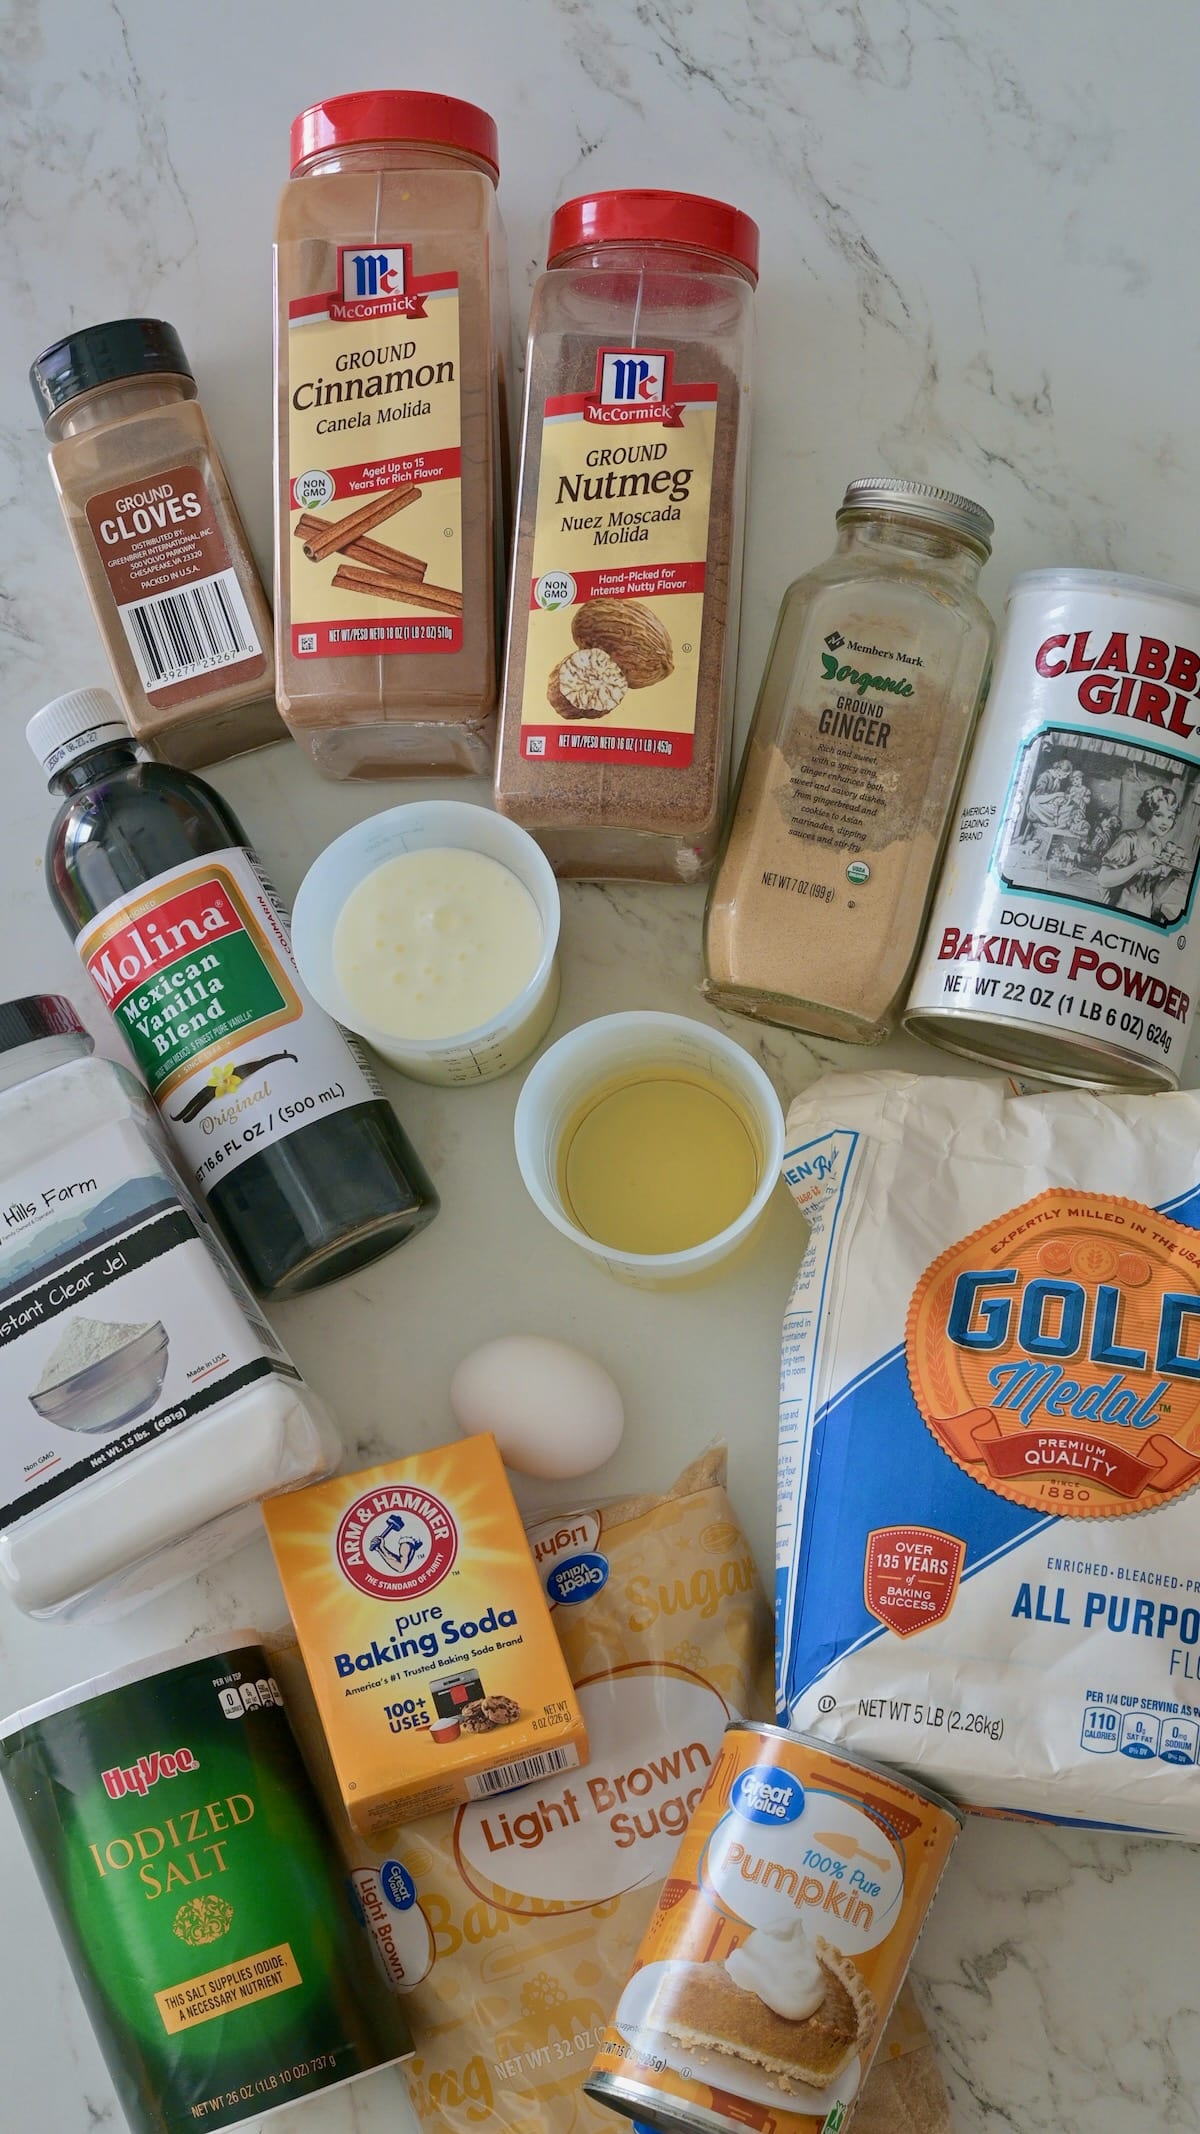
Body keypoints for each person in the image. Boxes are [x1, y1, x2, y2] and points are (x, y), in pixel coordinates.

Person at [1096, 785, 1190, 921]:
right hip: (1119, 914)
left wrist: (1172, 876)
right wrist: (1139, 864)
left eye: (1170, 817)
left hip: (1143, 915)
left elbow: (1154, 893)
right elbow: (1103, 879)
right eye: (1159, 815)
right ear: (1147, 813)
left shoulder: (1157, 846)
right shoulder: (1128, 840)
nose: (1165, 823)